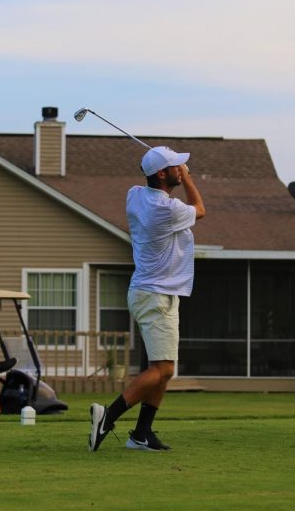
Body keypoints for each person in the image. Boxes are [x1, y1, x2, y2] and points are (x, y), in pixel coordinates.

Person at [89, 145, 205, 452]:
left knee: (159, 370)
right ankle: (108, 416)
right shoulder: (166, 209)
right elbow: (200, 208)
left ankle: (141, 433)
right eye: (176, 167)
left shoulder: (134, 195)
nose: (181, 169)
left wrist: (172, 168)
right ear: (162, 173)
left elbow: (150, 184)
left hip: (149, 291)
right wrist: (190, 178)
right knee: (164, 370)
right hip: (157, 296)